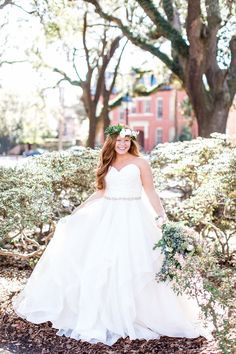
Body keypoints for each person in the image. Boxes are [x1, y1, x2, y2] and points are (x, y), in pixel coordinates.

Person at [13, 124, 210, 346]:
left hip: (135, 217)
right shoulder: (107, 163)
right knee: (102, 264)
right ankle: (106, 313)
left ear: (132, 142)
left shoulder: (141, 163)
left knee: (134, 263)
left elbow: (151, 191)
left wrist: (162, 219)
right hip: (107, 216)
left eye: (127, 140)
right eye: (119, 141)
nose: (123, 144)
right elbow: (101, 191)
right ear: (112, 142)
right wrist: (77, 211)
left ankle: (137, 313)